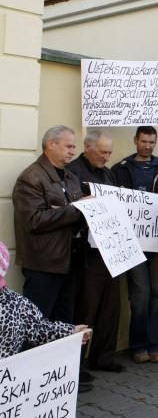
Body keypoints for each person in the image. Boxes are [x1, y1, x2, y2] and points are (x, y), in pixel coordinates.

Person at [111, 126, 158, 364]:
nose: (148, 146)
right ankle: (138, 346)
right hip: (133, 242)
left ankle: (155, 345)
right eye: (144, 141)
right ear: (135, 141)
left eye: (152, 142)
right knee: (140, 294)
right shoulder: (120, 169)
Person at [12, 126, 84, 330]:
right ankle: (33, 364)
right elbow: (33, 220)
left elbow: (72, 215)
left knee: (65, 324)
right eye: (68, 146)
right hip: (43, 264)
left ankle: (65, 364)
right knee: (37, 326)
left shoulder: (71, 177)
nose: (72, 151)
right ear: (51, 144)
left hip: (69, 261)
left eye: (74, 147)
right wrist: (73, 209)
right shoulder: (31, 177)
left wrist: (80, 209)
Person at [66, 129, 125, 373]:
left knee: (111, 306)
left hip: (111, 249)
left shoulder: (108, 174)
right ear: (87, 147)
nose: (107, 157)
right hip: (87, 252)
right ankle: (77, 365)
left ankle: (103, 357)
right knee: (86, 307)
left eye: (109, 152)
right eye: (103, 152)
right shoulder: (73, 172)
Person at [0, 241, 92, 360]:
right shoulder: (18, 304)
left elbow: (41, 330)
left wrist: (71, 331)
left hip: (7, 375)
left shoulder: (17, 304)